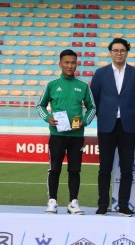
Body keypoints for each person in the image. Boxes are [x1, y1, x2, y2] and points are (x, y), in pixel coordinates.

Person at [90, 37, 135, 217]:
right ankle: (102, 204)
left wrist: (130, 113)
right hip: (106, 126)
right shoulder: (100, 73)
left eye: (122, 50)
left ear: (127, 52)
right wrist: (105, 114)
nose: (119, 53)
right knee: (104, 168)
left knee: (127, 168)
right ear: (110, 52)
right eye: (115, 50)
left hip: (128, 126)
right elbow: (94, 99)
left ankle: (123, 205)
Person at [36, 49, 96, 215]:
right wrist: (48, 118)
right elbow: (40, 105)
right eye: (66, 62)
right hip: (57, 135)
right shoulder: (52, 85)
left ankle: (73, 202)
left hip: (76, 136)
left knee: (75, 170)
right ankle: (52, 201)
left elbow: (92, 108)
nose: (70, 66)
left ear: (76, 64)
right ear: (60, 64)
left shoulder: (83, 86)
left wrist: (84, 121)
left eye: (73, 63)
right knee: (54, 168)